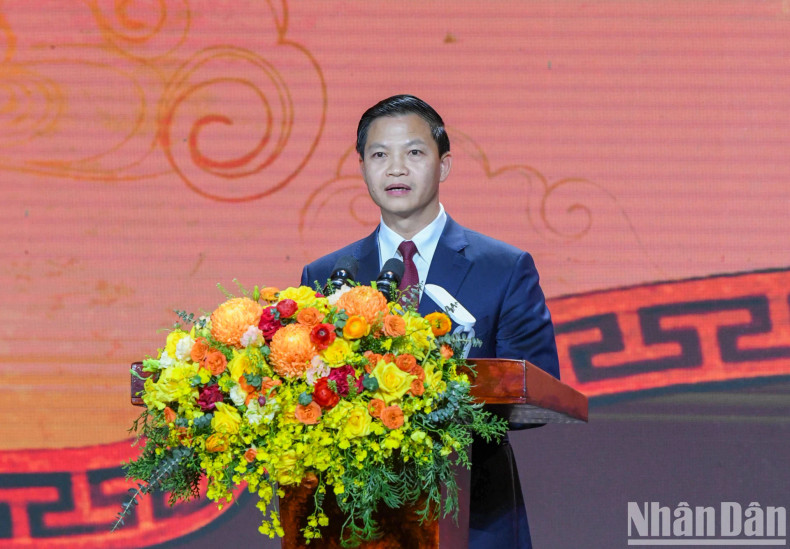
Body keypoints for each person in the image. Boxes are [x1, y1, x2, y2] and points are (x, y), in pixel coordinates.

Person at [301, 94, 560, 549]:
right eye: (379, 155)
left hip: (474, 512)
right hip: (353, 518)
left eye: (414, 153)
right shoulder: (325, 276)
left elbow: (536, 388)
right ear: (361, 166)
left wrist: (433, 401)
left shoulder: (503, 267)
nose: (395, 169)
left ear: (444, 165)